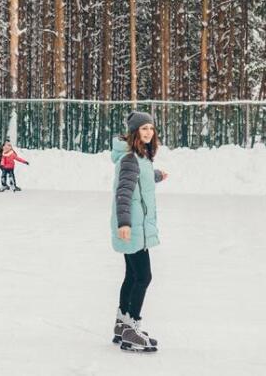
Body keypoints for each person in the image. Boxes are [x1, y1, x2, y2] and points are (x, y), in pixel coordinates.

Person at [111, 111, 168, 353]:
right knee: (144, 277)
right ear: (134, 132)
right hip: (133, 227)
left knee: (132, 276)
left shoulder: (138, 157)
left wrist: (156, 175)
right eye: (143, 129)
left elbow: (138, 180)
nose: (148, 132)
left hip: (136, 227)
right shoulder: (130, 159)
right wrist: (124, 224)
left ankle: (122, 325)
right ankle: (132, 329)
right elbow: (124, 193)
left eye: (151, 128)